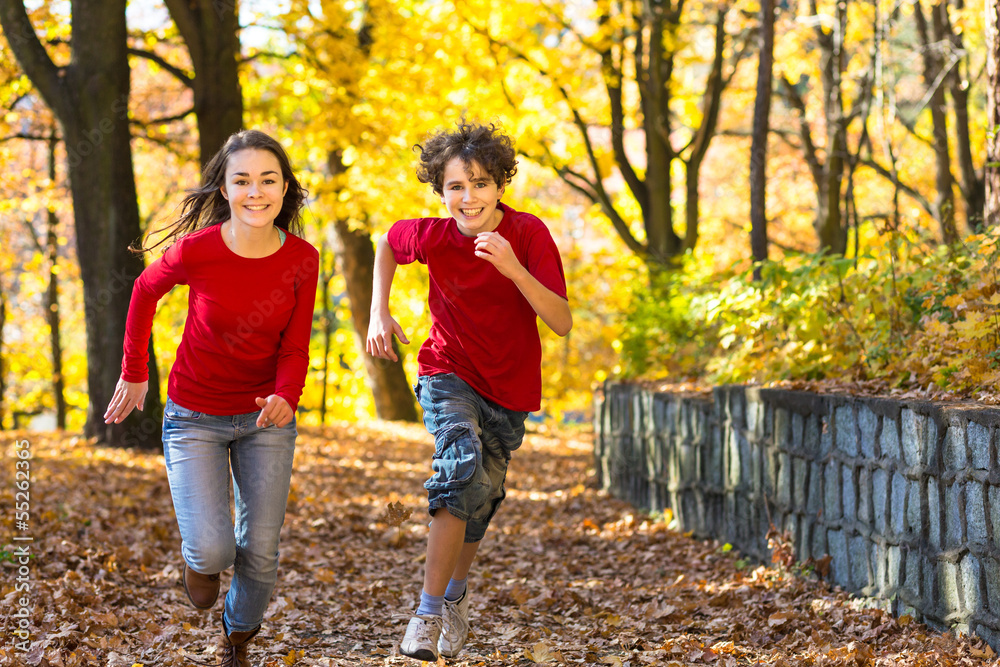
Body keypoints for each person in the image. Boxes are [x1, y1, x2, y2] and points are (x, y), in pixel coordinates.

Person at [103, 130, 319, 667]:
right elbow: (144, 291)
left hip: (264, 421)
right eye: (241, 180)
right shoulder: (198, 251)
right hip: (193, 416)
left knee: (261, 552)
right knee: (215, 551)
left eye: (268, 180)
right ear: (224, 189)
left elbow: (295, 347)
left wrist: (287, 396)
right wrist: (134, 373)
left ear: (285, 187)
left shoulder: (302, 259)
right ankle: (197, 562)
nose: (255, 192)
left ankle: (237, 638)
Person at [367, 120, 572, 661]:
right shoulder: (433, 235)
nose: (468, 196)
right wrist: (378, 311)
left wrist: (513, 269)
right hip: (446, 372)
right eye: (455, 186)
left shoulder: (528, 235)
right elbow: (387, 241)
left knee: (479, 500)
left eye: (480, 183)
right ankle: (427, 611)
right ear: (441, 192)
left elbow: (561, 320)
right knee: (459, 465)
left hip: (508, 389)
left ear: (501, 185)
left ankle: (454, 597)